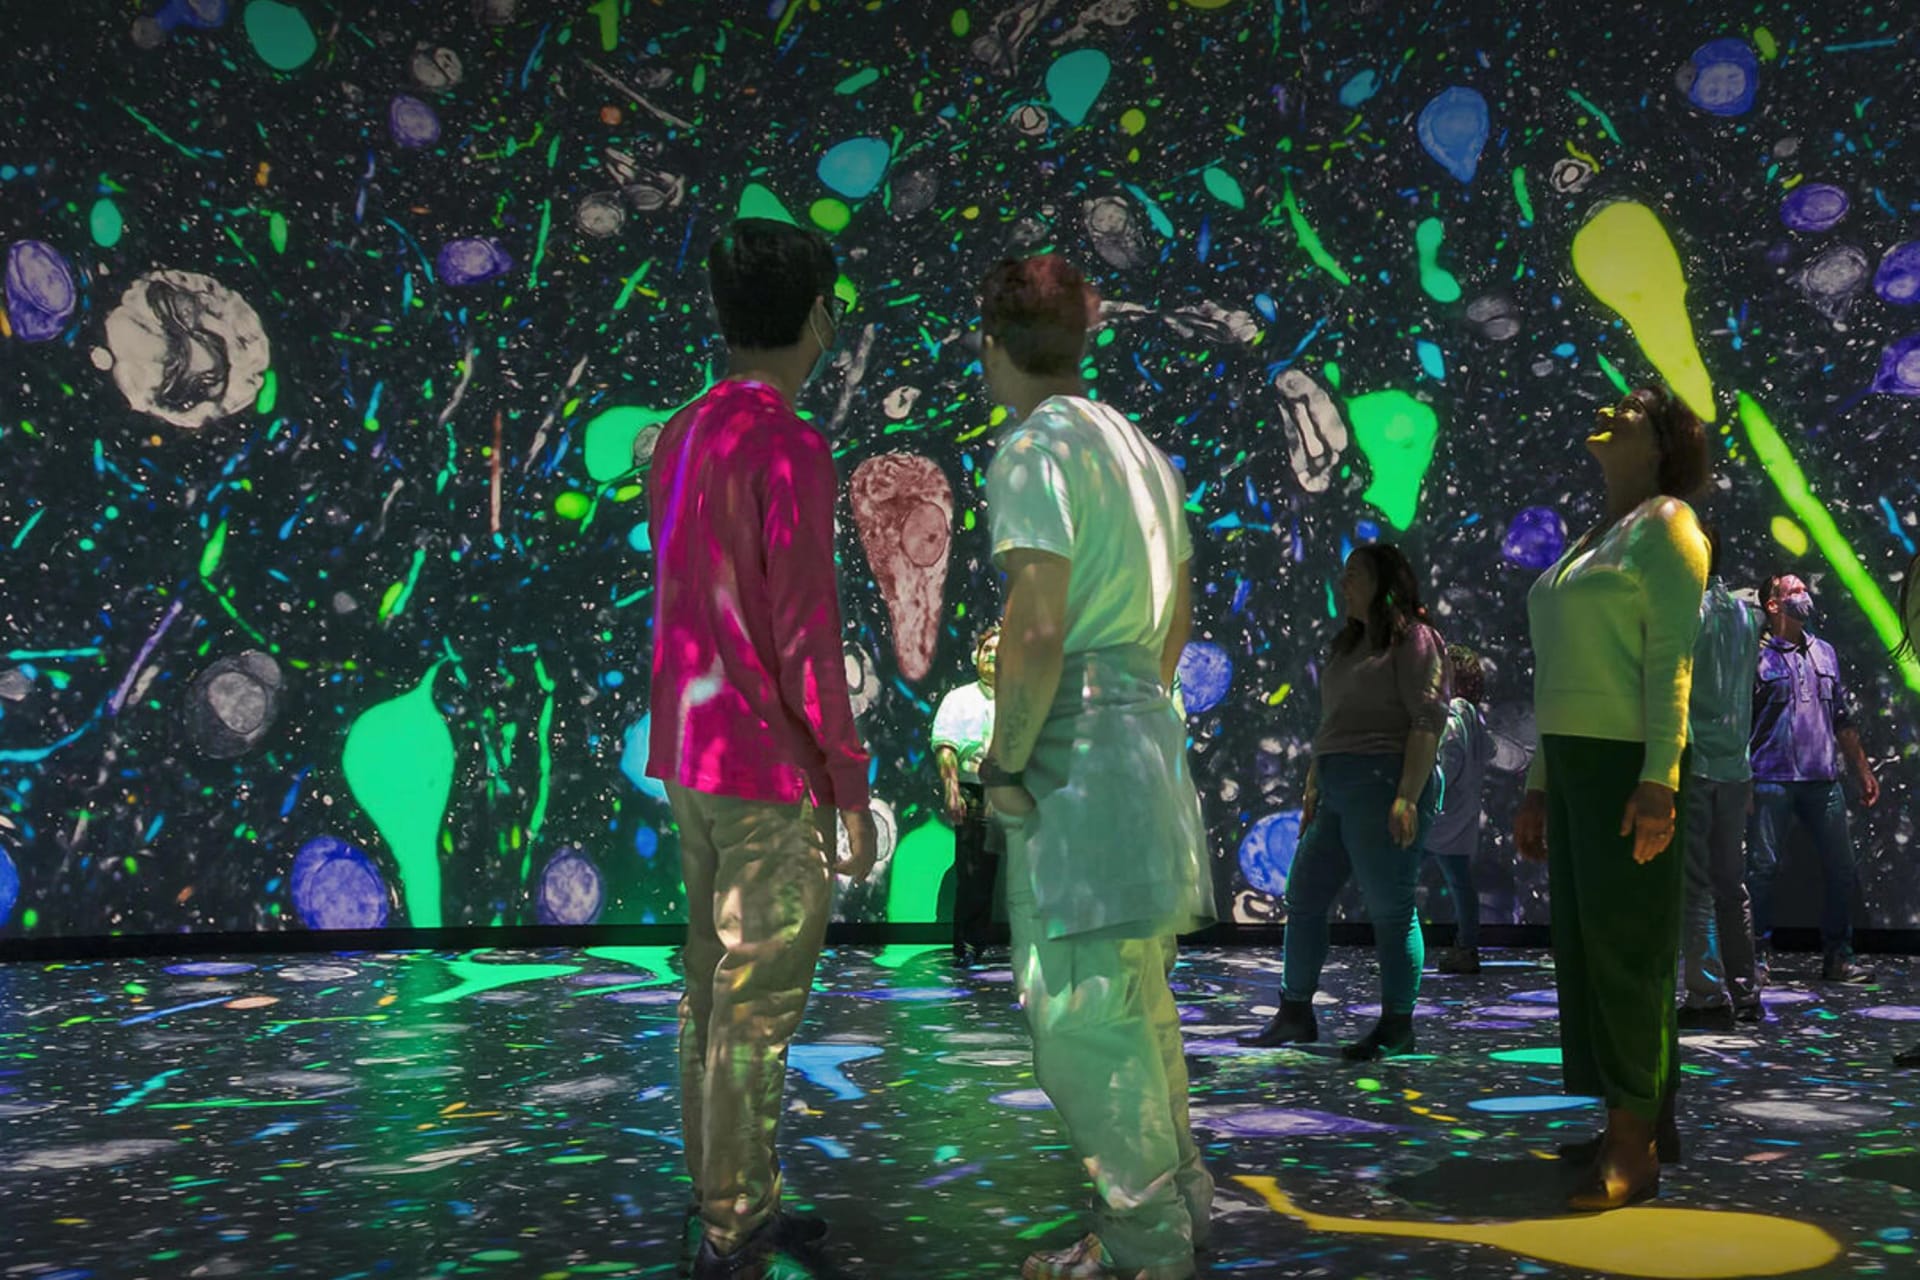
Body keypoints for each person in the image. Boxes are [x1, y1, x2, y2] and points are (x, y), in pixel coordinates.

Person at [974, 254, 1216, 1280]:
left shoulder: (1034, 448)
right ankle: (1182, 1210)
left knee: (1083, 1021)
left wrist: (1004, 759)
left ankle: (1142, 1249)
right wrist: (1134, 707)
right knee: (1139, 1006)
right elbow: (1178, 617)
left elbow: (1034, 625)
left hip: (1077, 764)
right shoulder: (1140, 446)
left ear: (991, 343)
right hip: (1147, 749)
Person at [646, 218, 879, 1280]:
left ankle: (731, 1196)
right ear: (816, 315)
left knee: (710, 986)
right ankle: (734, 1224)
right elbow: (805, 632)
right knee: (756, 1005)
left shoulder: (683, 430)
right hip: (763, 767)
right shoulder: (791, 443)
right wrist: (846, 776)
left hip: (689, 755)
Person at [1513, 384, 1710, 1212]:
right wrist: (1537, 782)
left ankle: (1633, 1150)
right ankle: (1641, 1117)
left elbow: (1673, 662)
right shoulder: (1600, 536)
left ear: (1662, 440)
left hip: (1632, 766)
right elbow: (1559, 678)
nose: (1606, 403)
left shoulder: (1669, 527)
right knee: (1593, 954)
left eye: (1630, 403)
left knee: (1628, 954)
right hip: (1577, 767)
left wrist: (1659, 780)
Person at [1237, 543, 1448, 1059]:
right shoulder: (1347, 646)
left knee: (1390, 907)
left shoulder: (1416, 640)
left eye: (1355, 574)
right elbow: (1332, 726)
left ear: (1384, 583)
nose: (1344, 582)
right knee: (1304, 892)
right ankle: (1295, 1013)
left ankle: (1397, 1025)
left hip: (1385, 782)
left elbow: (1427, 720)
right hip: (1337, 784)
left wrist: (1407, 797)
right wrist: (1313, 784)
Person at [1746, 572, 1880, 984]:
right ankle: (1755, 956)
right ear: (1773, 604)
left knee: (1841, 868)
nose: (1804, 595)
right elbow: (1739, 721)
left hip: (1823, 778)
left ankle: (1838, 956)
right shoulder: (1756, 656)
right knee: (1762, 870)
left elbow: (1841, 717)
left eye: (1805, 589)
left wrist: (1861, 768)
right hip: (1771, 776)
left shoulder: (1825, 653)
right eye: (1794, 590)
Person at [1676, 524, 1765, 1031]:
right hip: (1737, 767)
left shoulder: (1693, 613)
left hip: (1698, 764)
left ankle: (1706, 995)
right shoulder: (1747, 614)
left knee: (1696, 887)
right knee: (1734, 884)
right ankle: (1746, 990)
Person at [932, 626, 1004, 965]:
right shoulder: (958, 699)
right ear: (976, 655)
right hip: (974, 789)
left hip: (1016, 789)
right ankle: (969, 945)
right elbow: (946, 747)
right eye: (987, 649)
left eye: (1000, 650)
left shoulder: (1021, 698)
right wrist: (952, 791)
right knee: (974, 871)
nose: (993, 655)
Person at [1427, 643, 1493, 975]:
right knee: (1460, 883)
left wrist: (1425, 794)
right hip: (1464, 815)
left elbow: (1448, 758)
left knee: (1398, 878)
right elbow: (1491, 750)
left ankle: (1396, 951)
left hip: (1440, 816)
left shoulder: (1453, 712)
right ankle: (1467, 948)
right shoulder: (1475, 715)